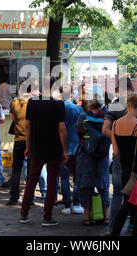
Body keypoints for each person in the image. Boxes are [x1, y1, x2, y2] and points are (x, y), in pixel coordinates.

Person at [19, 77, 68, 227]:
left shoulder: (32, 103)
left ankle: (24, 214)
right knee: (52, 180)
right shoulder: (58, 105)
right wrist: (64, 150)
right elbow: (62, 129)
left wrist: (28, 145)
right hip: (53, 146)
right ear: (55, 88)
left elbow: (27, 126)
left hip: (37, 146)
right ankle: (47, 216)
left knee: (32, 179)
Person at [111, 93, 137, 236]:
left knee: (126, 203)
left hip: (125, 170)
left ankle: (115, 232)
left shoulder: (115, 124)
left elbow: (115, 152)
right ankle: (135, 233)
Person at [101, 77, 134, 235]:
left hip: (119, 154)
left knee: (118, 192)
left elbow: (105, 129)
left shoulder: (114, 106)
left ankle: (113, 229)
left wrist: (117, 139)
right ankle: (136, 225)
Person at [75, 99, 110, 225]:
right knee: (103, 185)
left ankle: (87, 217)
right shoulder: (106, 116)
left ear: (89, 105)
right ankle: (106, 217)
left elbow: (78, 131)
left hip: (86, 155)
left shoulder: (83, 116)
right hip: (102, 156)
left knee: (85, 185)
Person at [59, 84, 84, 215]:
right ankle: (76, 203)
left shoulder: (57, 109)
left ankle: (67, 205)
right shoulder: (78, 109)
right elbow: (82, 128)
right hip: (76, 147)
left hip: (61, 148)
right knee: (77, 177)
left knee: (64, 178)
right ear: (72, 95)